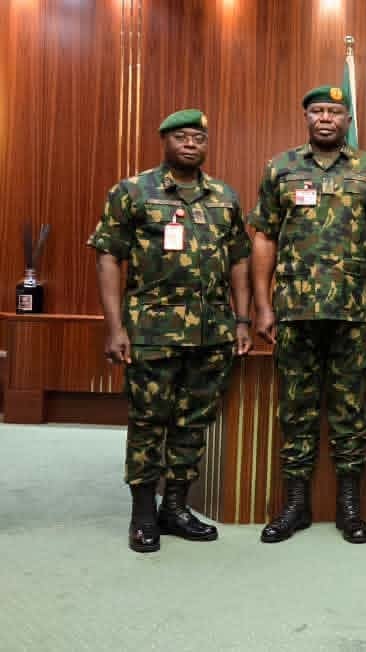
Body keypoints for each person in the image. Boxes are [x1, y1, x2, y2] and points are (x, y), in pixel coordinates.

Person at [88, 108, 252, 553]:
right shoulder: (132, 192)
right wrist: (114, 326)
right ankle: (143, 514)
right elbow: (107, 256)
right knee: (148, 422)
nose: (191, 144)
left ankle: (175, 507)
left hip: (212, 332)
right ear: (164, 141)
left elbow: (239, 257)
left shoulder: (224, 197)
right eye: (181, 136)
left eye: (198, 137)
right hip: (151, 331)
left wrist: (241, 319)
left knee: (193, 422)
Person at [250, 86, 366, 544]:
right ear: (305, 117)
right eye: (317, 110)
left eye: (334, 112)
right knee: (295, 410)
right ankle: (295, 505)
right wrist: (262, 305)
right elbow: (263, 237)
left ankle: (349, 508)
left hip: (353, 313)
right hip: (294, 312)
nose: (325, 118)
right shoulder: (280, 167)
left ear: (347, 119)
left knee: (350, 411)